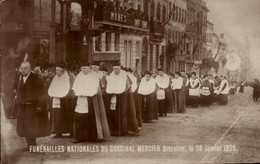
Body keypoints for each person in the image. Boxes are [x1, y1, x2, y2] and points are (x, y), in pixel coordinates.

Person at [14, 61, 49, 150]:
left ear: (30, 69)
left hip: (32, 107)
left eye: (25, 68)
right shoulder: (19, 78)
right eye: (22, 68)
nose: (23, 70)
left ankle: (32, 144)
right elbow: (15, 90)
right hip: (22, 106)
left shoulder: (36, 79)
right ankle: (29, 144)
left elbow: (42, 94)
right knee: (24, 125)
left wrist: (39, 106)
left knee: (31, 126)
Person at [72, 62, 110, 143]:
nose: (83, 70)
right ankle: (79, 137)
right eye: (82, 68)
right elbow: (75, 86)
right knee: (79, 117)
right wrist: (79, 92)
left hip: (90, 100)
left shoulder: (95, 76)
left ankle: (91, 136)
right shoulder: (79, 75)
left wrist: (88, 92)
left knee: (90, 118)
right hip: (80, 99)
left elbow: (96, 88)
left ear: (89, 67)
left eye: (85, 68)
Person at [105, 63, 139, 136]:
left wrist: (123, 91)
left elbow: (128, 87)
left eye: (117, 69)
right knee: (114, 113)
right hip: (114, 96)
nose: (115, 70)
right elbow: (110, 84)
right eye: (114, 69)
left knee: (123, 112)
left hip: (123, 98)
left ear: (120, 68)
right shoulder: (112, 75)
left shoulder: (125, 75)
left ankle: (123, 129)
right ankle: (115, 129)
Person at [48, 63, 75, 138]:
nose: (56, 71)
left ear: (63, 70)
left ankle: (70, 132)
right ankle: (58, 132)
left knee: (67, 115)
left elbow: (71, 89)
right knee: (57, 116)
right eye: (56, 70)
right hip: (57, 99)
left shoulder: (68, 78)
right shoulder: (55, 77)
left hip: (66, 100)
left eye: (58, 70)